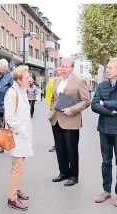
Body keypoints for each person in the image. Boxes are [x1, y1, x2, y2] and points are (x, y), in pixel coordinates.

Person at [91, 59, 117, 207]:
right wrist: (111, 111)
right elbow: (94, 105)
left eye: (111, 68)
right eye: (107, 67)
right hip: (104, 128)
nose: (107, 70)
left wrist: (106, 103)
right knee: (106, 161)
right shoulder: (102, 85)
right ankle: (106, 190)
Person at [49, 58, 91, 187]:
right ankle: (63, 173)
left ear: (72, 67)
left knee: (71, 149)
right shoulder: (56, 80)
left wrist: (71, 109)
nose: (63, 68)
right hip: (56, 119)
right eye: (61, 66)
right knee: (60, 148)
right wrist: (51, 111)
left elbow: (86, 101)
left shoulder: (79, 81)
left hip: (71, 120)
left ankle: (73, 176)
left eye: (66, 66)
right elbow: (53, 98)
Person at [4, 65, 34, 211]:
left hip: (23, 136)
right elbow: (10, 116)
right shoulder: (12, 93)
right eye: (27, 78)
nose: (30, 79)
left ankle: (15, 190)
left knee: (20, 165)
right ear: (19, 79)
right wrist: (21, 131)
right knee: (17, 166)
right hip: (17, 136)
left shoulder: (21, 91)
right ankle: (12, 198)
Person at [0, 59, 13, 153]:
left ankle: (10, 143)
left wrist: (9, 104)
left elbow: (13, 91)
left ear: (4, 67)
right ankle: (2, 144)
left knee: (8, 124)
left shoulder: (10, 76)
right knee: (0, 125)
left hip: (5, 105)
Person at [45, 66, 62, 153]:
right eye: (58, 70)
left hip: (65, 108)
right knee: (56, 127)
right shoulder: (52, 81)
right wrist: (51, 107)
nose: (60, 71)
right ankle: (57, 145)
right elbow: (48, 94)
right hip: (54, 109)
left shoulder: (67, 81)